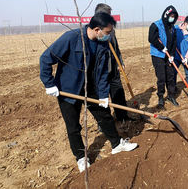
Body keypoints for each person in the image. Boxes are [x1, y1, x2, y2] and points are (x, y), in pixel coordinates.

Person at [39, 12, 137, 173]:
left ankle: (117, 144)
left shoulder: (103, 44)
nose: (109, 35)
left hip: (91, 88)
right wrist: (49, 83)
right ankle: (81, 157)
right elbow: (46, 58)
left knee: (104, 115)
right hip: (68, 89)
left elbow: (103, 72)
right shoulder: (72, 38)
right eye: (107, 32)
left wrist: (104, 94)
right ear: (97, 29)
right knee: (73, 126)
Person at [94, 3, 132, 125]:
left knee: (118, 93)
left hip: (113, 68)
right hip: (100, 71)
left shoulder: (111, 30)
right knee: (102, 98)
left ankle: (122, 116)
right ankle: (104, 123)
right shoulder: (94, 31)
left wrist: (120, 61)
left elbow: (116, 48)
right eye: (108, 15)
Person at [148, 5, 179, 108]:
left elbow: (174, 42)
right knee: (161, 77)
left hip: (168, 55)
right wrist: (161, 47)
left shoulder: (172, 28)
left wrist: (172, 55)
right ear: (166, 15)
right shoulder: (156, 25)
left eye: (174, 16)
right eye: (171, 15)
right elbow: (152, 38)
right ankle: (161, 97)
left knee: (170, 76)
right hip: (158, 55)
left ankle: (171, 95)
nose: (172, 18)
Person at [174, 16, 188, 89]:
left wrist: (187, 58)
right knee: (173, 73)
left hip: (187, 58)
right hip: (176, 56)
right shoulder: (176, 29)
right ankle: (173, 88)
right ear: (185, 23)